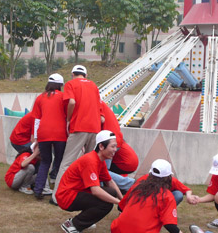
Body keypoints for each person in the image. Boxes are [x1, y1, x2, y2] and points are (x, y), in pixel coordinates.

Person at [111, 160, 198, 233]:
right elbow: (170, 225)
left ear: (150, 173)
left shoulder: (138, 185)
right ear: (168, 177)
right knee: (156, 220)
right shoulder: (166, 196)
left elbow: (120, 207)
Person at [56, 130, 122, 233]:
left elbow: (110, 182)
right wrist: (119, 203)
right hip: (67, 196)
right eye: (113, 146)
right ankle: (73, 225)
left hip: (76, 192)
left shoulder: (99, 160)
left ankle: (86, 219)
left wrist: (123, 201)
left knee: (111, 192)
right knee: (106, 204)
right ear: (101, 146)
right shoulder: (91, 160)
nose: (115, 150)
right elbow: (96, 191)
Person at [52, 65, 103, 204]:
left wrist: (69, 119)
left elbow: (72, 102)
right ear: (85, 75)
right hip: (95, 128)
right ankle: (87, 195)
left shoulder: (70, 84)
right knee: (90, 164)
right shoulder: (93, 86)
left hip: (79, 127)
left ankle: (57, 196)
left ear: (72, 74)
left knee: (66, 162)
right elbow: (100, 110)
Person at [31, 73, 66, 199]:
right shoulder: (63, 97)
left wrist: (36, 138)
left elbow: (36, 119)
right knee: (60, 162)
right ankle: (59, 191)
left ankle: (38, 190)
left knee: (45, 161)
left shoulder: (40, 98)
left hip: (43, 133)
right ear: (60, 85)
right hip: (60, 134)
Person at [100, 100, 139, 192]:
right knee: (101, 170)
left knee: (100, 170)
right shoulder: (103, 105)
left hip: (124, 162)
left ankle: (131, 184)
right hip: (116, 144)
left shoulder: (96, 104)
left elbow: (101, 120)